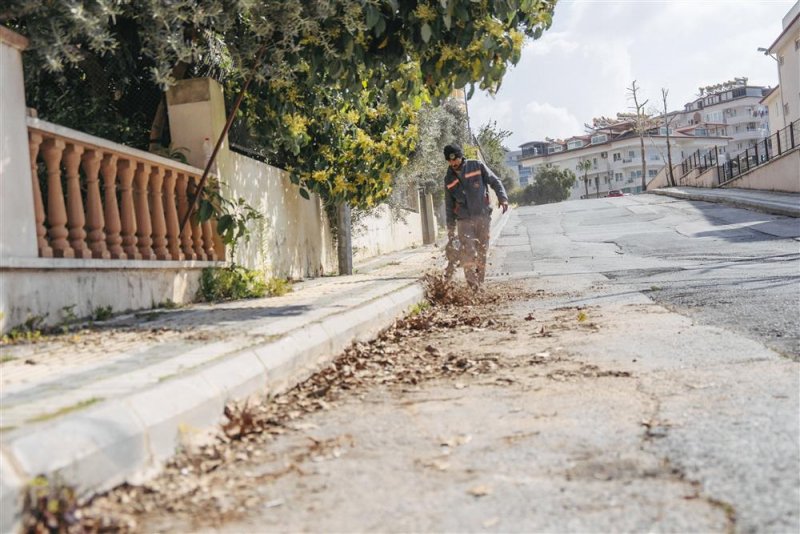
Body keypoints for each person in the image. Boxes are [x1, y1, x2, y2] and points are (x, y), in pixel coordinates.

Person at [443, 143, 509, 287]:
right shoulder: (448, 179)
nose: (453, 163)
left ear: (461, 157)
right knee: (468, 252)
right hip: (463, 220)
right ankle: (473, 287)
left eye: (455, 159)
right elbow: (449, 206)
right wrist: (450, 229)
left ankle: (480, 283)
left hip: (482, 216)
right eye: (450, 161)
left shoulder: (477, 166)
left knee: (482, 251)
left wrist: (502, 197)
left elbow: (495, 181)